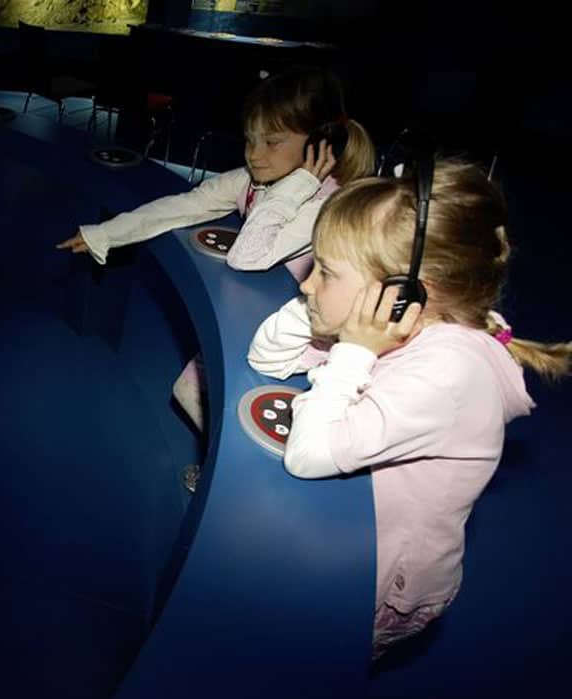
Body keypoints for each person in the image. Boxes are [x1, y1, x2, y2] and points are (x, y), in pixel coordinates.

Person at [247, 159, 569, 659]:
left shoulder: (447, 374)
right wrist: (321, 310)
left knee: (305, 667)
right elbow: (265, 357)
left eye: (326, 272)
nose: (306, 283)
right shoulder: (396, 324)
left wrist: (352, 349)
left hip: (379, 585)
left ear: (402, 297)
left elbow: (307, 455)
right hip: (350, 522)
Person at [58, 66, 374, 485]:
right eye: (250, 139)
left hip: (313, 337)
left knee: (226, 407)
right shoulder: (255, 180)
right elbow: (184, 206)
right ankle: (224, 468)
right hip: (267, 313)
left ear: (321, 145)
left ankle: (240, 480)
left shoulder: (323, 201)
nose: (254, 154)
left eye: (272, 142)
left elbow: (247, 256)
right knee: (188, 391)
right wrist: (105, 233)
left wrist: (299, 184)